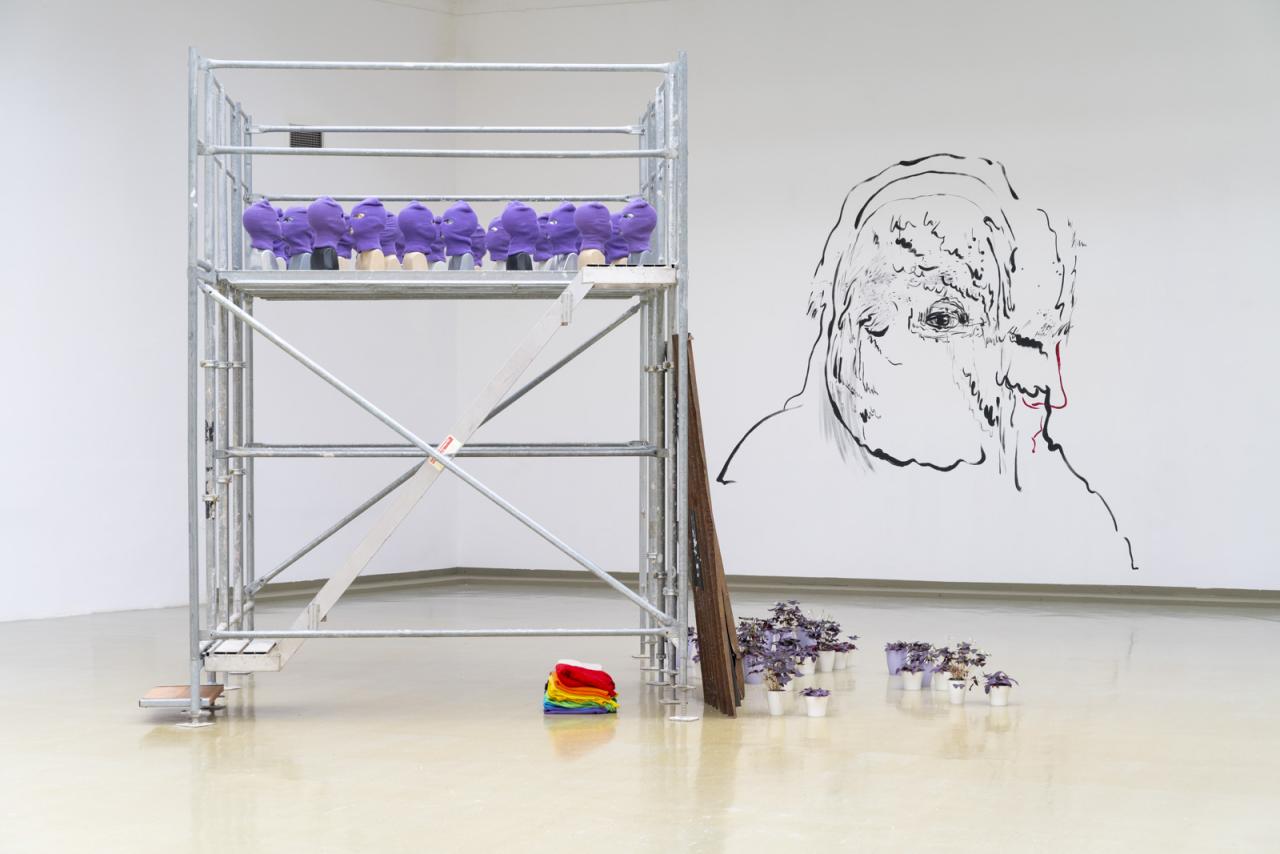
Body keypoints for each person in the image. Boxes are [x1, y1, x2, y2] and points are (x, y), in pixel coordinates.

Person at [719, 154, 1136, 571]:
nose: (1046, 392)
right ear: (849, 330)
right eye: (944, 321)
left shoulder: (1071, 513)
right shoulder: (758, 487)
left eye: (1041, 344)